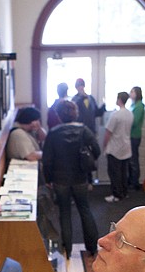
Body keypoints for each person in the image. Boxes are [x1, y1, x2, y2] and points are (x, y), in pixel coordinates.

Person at [41, 100, 100, 259]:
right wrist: (87, 160)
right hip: (80, 177)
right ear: (76, 113)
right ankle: (92, 247)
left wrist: (48, 179)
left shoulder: (53, 133)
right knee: (85, 209)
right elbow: (97, 149)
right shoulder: (83, 130)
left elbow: (47, 160)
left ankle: (67, 249)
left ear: (58, 115)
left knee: (65, 212)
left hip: (60, 179)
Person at [7, 106, 60, 254]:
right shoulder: (18, 134)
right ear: (29, 120)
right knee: (42, 213)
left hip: (33, 175)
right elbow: (30, 156)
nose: (38, 122)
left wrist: (39, 128)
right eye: (36, 120)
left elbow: (44, 138)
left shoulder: (27, 132)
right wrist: (49, 153)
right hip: (26, 177)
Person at [72, 78, 106, 186]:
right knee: (80, 156)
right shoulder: (75, 99)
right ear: (76, 87)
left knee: (90, 156)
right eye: (78, 86)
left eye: (81, 85)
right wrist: (80, 99)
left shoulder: (91, 98)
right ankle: (82, 180)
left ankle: (90, 180)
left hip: (90, 131)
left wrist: (103, 108)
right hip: (79, 132)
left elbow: (96, 113)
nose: (80, 88)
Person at [103, 91, 134, 202]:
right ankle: (124, 192)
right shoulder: (130, 114)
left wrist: (104, 145)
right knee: (123, 172)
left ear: (119, 100)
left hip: (114, 148)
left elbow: (108, 132)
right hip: (126, 147)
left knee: (114, 172)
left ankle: (116, 194)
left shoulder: (115, 115)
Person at [128, 86, 145, 190]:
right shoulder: (132, 105)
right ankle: (130, 179)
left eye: (132, 92)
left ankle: (135, 181)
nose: (130, 94)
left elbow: (134, 121)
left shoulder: (139, 106)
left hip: (134, 135)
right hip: (130, 135)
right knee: (130, 159)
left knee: (134, 159)